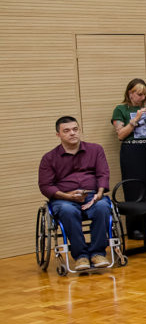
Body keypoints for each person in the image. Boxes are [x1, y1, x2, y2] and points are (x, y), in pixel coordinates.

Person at [38, 116, 113, 271]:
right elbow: (45, 186)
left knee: (102, 207)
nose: (72, 133)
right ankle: (81, 256)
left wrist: (99, 193)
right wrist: (67, 196)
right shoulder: (49, 158)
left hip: (93, 194)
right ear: (58, 135)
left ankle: (98, 253)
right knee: (67, 210)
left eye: (75, 129)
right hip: (64, 199)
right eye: (66, 131)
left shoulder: (95, 149)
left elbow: (103, 174)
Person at [111, 77, 146, 240]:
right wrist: (134, 120)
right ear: (130, 93)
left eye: (144, 94)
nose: (142, 98)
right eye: (139, 94)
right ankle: (136, 228)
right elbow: (120, 135)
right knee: (134, 187)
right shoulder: (120, 110)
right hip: (132, 149)